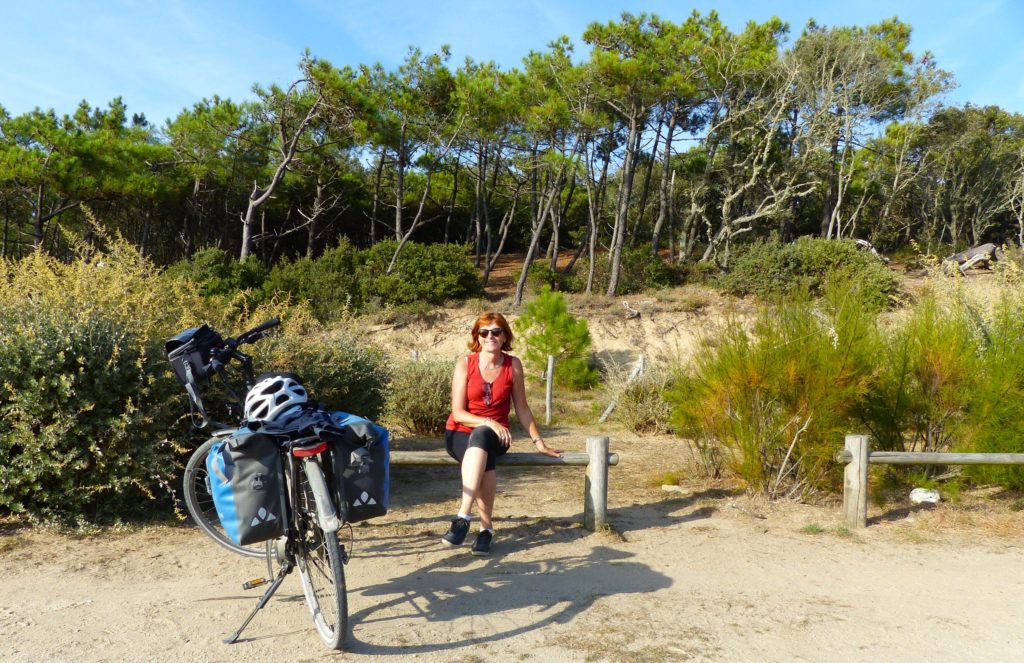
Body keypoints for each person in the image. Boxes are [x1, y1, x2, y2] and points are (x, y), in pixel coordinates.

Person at [442, 312, 562, 556]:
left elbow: (523, 408)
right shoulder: (465, 363)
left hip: (497, 436)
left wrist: (539, 442)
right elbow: (457, 412)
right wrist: (488, 421)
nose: (490, 337)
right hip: (459, 433)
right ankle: (485, 530)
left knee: (484, 437)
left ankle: (463, 517)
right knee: (484, 450)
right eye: (484, 332)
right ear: (477, 336)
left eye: (496, 332)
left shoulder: (512, 364)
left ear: (505, 335)